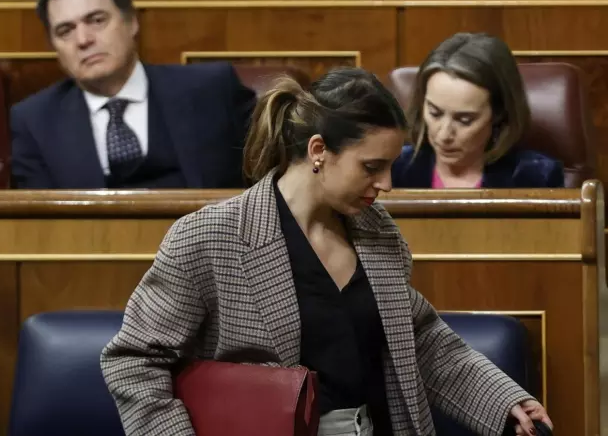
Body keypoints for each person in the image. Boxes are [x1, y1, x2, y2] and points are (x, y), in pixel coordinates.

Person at [101, 67, 553, 436]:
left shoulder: (377, 231)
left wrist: (505, 402)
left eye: (391, 166)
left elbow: (417, 338)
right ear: (319, 151)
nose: (388, 184)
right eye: (372, 167)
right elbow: (134, 361)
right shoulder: (208, 237)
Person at [10, 0, 257, 189]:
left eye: (96, 20)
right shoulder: (34, 123)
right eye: (65, 31)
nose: (84, 40)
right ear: (54, 46)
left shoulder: (211, 89)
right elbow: (40, 225)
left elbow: (272, 178)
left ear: (131, 22)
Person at [391, 32, 565, 188]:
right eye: (435, 113)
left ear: (499, 114)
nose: (444, 135)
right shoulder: (392, 168)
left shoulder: (535, 177)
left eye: (464, 120)